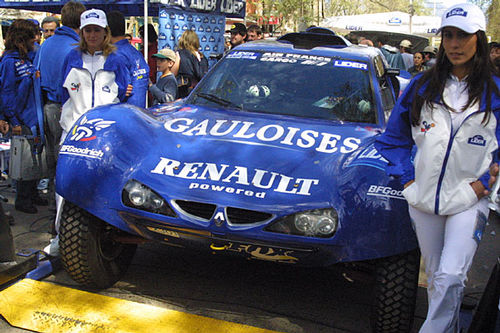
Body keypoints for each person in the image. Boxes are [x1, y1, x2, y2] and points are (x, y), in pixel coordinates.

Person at [375, 3, 500, 332]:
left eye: (463, 36)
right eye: (449, 35)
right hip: (423, 198)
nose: (455, 44)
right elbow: (392, 139)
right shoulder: (421, 87)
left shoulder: (496, 92)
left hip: (470, 199)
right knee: (437, 283)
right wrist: (407, 180)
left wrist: (485, 183)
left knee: (450, 275)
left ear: (479, 40)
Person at [46, 9, 132, 256]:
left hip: (105, 135)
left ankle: (96, 237)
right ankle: (61, 237)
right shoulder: (71, 57)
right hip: (74, 132)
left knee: (102, 184)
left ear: (105, 32)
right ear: (82, 32)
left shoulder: (117, 59)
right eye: (88, 30)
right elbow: (64, 94)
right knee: (65, 184)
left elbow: (123, 95)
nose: (92, 34)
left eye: (97, 30)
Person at [0, 19, 48, 214]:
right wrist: (13, 120)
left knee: (35, 157)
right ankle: (23, 198)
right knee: (24, 160)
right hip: (21, 118)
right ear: (22, 39)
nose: (36, 39)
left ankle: (33, 193)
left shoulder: (29, 58)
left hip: (33, 115)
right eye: (33, 35)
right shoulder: (9, 62)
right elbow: (7, 92)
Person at [108, 10, 149, 108]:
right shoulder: (136, 53)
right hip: (139, 112)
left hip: (123, 113)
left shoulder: (115, 55)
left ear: (107, 31)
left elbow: (121, 89)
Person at [174, 30, 208, 99]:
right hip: (199, 90)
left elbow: (173, 73)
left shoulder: (179, 54)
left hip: (184, 90)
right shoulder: (202, 56)